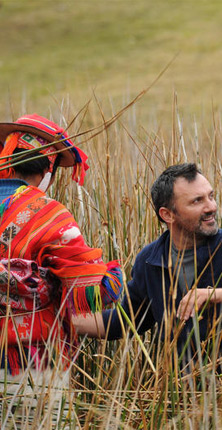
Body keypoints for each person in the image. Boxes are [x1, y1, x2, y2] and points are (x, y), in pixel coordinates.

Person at [73, 163, 222, 370]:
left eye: (211, 196)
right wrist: (59, 321)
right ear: (168, 214)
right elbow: (123, 322)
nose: (211, 207)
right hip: (183, 398)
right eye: (197, 201)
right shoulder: (150, 260)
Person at [0, 114, 123, 427]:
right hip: (30, 365)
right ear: (47, 171)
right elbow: (95, 290)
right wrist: (112, 276)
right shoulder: (48, 214)